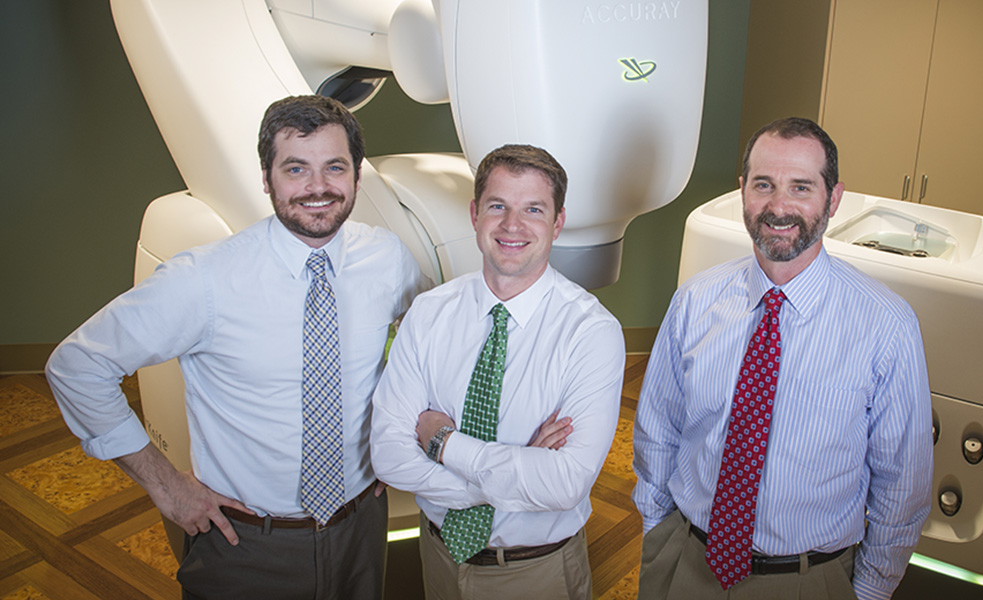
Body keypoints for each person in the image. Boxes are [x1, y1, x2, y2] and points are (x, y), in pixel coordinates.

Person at [45, 95, 428, 599]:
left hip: (360, 530)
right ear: (267, 179)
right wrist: (165, 486)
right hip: (246, 544)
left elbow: (427, 344)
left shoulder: (386, 259)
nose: (317, 187)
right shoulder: (204, 280)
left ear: (356, 175)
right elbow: (77, 365)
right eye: (296, 169)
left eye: (334, 167)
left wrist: (398, 438)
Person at [632, 117, 933, 600]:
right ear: (743, 191)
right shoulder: (694, 301)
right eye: (764, 185)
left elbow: (903, 484)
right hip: (687, 564)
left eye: (801, 187)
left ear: (833, 199)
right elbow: (658, 430)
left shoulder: (887, 327)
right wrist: (658, 530)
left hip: (807, 581)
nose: (778, 206)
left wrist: (870, 590)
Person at [370, 144, 625, 600]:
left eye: (533, 209)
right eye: (497, 206)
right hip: (441, 558)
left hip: (537, 572)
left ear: (557, 222)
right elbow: (389, 457)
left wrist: (442, 444)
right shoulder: (428, 313)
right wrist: (514, 474)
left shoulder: (592, 332)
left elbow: (565, 484)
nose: (513, 225)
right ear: (474, 214)